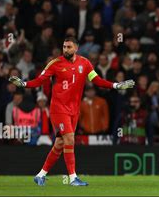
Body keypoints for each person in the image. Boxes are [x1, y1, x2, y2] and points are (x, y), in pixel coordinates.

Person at [8, 36, 135, 186]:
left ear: (76, 48)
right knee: (69, 140)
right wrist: (23, 84)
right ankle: (73, 178)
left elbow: (97, 80)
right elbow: (39, 80)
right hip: (58, 109)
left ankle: (40, 175)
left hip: (74, 110)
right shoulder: (55, 63)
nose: (66, 49)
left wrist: (116, 86)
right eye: (64, 47)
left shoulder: (85, 63)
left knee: (60, 144)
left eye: (69, 47)